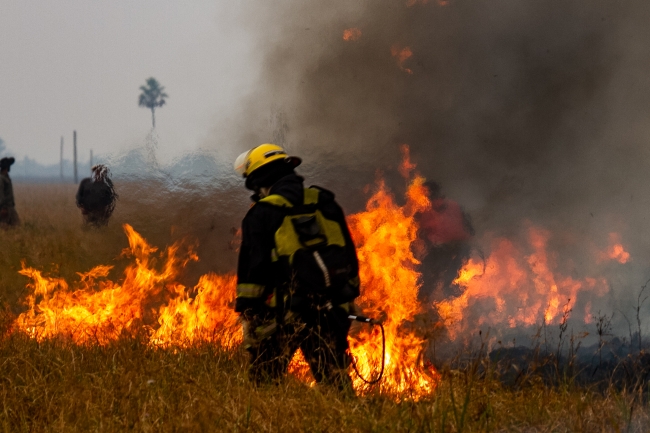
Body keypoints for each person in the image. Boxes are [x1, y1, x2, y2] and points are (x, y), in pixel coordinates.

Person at [233, 144, 360, 389]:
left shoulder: (262, 212)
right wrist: (345, 300)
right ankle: (350, 424)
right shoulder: (325, 202)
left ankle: (265, 424)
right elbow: (349, 255)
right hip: (332, 309)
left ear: (258, 180)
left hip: (285, 313)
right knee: (335, 381)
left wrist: (249, 312)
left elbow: (253, 274)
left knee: (265, 381)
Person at [0, 157, 20, 227]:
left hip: (10, 207)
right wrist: (3, 207)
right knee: (4, 227)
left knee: (16, 227)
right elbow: (1, 194)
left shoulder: (6, 177)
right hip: (5, 208)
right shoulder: (1, 178)